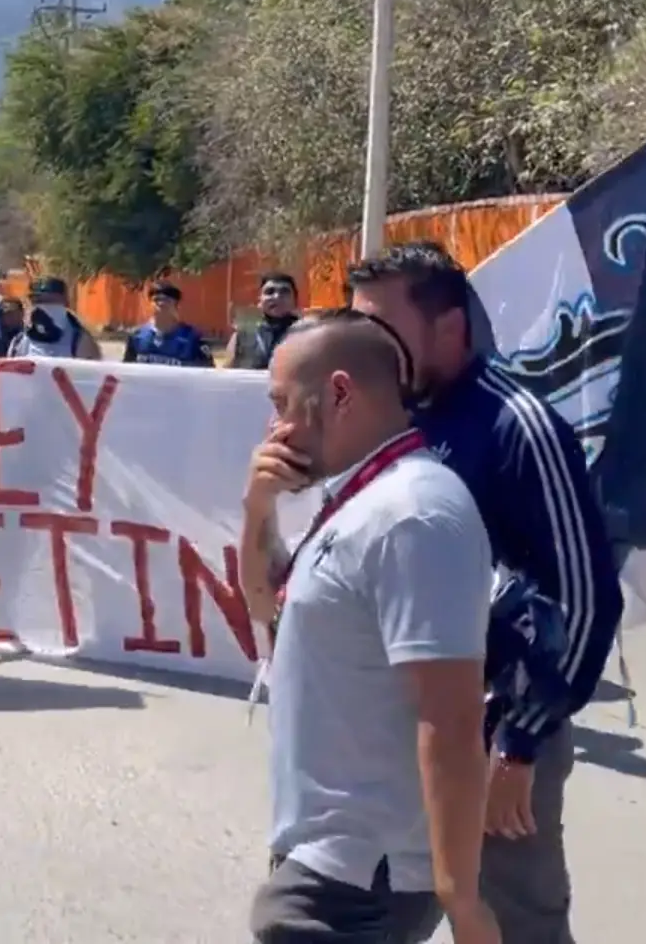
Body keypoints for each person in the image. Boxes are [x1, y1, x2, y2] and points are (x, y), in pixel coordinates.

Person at [347, 240, 622, 944]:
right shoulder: (384, 421)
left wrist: (520, 744)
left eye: (381, 331)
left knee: (512, 924)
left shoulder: (517, 426)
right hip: (389, 725)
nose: (363, 349)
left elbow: (585, 601)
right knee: (360, 912)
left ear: (448, 329)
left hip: (493, 736)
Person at [238, 310, 498, 944]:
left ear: (339, 393)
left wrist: (463, 902)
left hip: (360, 879)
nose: (276, 427)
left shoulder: (412, 515)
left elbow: (453, 717)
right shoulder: (356, 497)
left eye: (283, 404)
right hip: (332, 861)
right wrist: (257, 508)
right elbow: (261, 602)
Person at [122, 282, 214, 367]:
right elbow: (126, 373)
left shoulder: (194, 339)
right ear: (149, 304)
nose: (161, 303)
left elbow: (208, 375)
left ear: (177, 306)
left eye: (167, 300)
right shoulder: (137, 337)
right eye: (156, 300)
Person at [9, 277, 102, 359]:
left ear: (65, 302)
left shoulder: (81, 342)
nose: (42, 306)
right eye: (37, 301)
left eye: (50, 301)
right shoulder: (19, 341)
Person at [229, 272, 302, 370]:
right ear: (260, 300)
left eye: (284, 292)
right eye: (270, 292)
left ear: (295, 300)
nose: (277, 297)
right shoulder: (243, 335)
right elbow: (227, 373)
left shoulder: (307, 333)